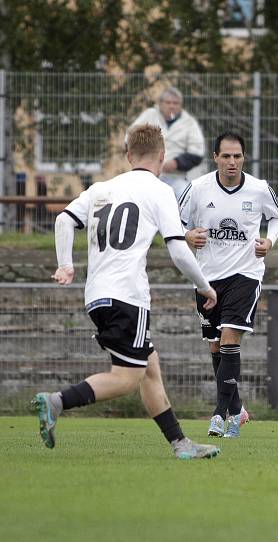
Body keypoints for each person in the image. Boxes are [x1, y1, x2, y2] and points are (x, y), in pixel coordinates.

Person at [34, 124, 221, 460]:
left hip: (96, 296)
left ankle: (180, 444)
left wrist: (66, 264)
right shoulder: (159, 191)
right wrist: (204, 287)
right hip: (127, 296)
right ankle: (56, 401)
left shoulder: (101, 188)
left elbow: (64, 220)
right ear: (162, 157)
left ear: (128, 155)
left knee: (150, 369)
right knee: (126, 378)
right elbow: (178, 250)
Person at [179, 132, 278, 438]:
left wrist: (269, 240)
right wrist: (187, 236)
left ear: (244, 158)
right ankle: (238, 410)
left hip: (246, 274)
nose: (232, 162)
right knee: (216, 346)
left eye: (237, 156)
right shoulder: (198, 189)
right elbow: (173, 222)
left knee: (229, 339)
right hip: (207, 277)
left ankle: (219, 415)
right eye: (226, 156)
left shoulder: (259, 188)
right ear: (215, 157)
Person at [128, 86, 205, 200]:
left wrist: (176, 163)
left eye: (175, 103)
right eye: (168, 102)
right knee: (132, 196)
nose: (172, 106)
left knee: (188, 198)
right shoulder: (150, 115)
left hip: (175, 177)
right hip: (145, 174)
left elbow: (197, 154)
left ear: (181, 105)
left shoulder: (189, 122)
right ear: (160, 103)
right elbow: (129, 138)